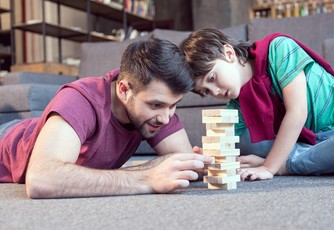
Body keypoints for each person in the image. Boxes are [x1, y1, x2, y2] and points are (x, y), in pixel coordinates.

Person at [0, 38, 212, 198]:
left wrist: (210, 165)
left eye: (173, 105)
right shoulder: (80, 99)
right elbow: (41, 179)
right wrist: (147, 177)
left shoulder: (158, 107)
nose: (166, 118)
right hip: (8, 139)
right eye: (155, 105)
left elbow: (183, 162)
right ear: (123, 90)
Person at [180, 28, 334, 181]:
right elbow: (221, 144)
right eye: (206, 91)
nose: (215, 91)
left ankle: (288, 165)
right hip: (303, 147)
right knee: (239, 140)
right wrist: (206, 159)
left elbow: (298, 111)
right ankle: (327, 164)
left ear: (229, 53)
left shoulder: (279, 48)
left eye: (213, 77)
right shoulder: (237, 104)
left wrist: (270, 167)